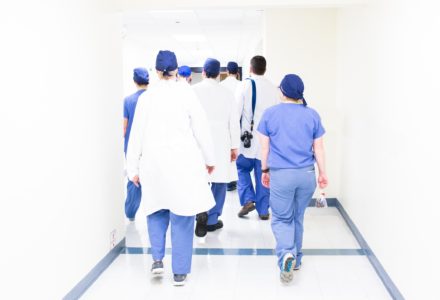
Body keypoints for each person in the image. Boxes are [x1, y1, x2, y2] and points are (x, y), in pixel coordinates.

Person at [126, 50, 216, 286]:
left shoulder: (147, 97)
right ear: (176, 70)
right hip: (182, 164)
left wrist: (132, 167)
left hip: (153, 165)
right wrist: (210, 159)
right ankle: (179, 272)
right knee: (182, 216)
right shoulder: (186, 93)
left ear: (156, 71)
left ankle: (157, 260)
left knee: (156, 211)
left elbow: (136, 135)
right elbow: (202, 128)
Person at [257, 74, 328, 284]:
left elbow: (264, 147)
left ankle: (286, 254)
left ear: (283, 91)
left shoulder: (270, 114)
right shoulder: (312, 115)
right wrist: (323, 173)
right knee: (297, 217)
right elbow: (319, 148)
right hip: (306, 175)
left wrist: (264, 170)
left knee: (281, 218)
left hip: (282, 175)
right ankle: (296, 259)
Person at [193, 58, 240, 237]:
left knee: (199, 179)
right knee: (219, 181)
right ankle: (212, 220)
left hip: (197, 142)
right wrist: (234, 146)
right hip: (221, 142)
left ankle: (199, 212)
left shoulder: (193, 92)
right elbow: (234, 123)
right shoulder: (227, 93)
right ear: (218, 74)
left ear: (204, 72)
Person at [236, 55, 278, 220]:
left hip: (248, 139)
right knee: (264, 172)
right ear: (265, 69)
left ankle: (247, 199)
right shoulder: (274, 88)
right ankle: (263, 210)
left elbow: (236, 112)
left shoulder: (245, 85)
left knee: (242, 168)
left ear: (250, 69)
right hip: (267, 140)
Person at [123, 68, 149, 221]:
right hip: (150, 145)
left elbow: (124, 128)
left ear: (134, 81)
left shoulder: (128, 100)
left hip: (132, 145)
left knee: (134, 178)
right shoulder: (154, 99)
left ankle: (131, 212)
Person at [220, 61, 240, 192]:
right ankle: (233, 181)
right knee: (235, 152)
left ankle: (226, 181)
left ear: (227, 71)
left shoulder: (221, 85)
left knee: (223, 152)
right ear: (237, 73)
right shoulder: (241, 85)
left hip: (223, 123)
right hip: (237, 122)